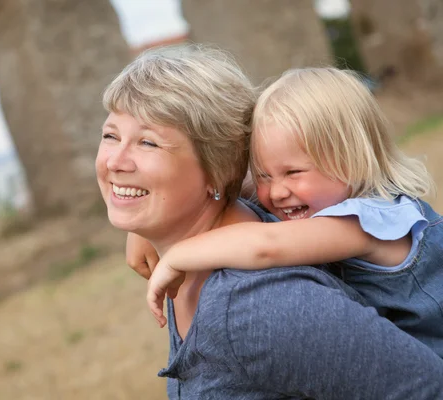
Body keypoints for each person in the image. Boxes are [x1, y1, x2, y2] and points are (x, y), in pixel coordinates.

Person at [97, 45, 443, 399]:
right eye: (110, 135)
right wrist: (144, 223)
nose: (115, 161)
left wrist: (179, 253)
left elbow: (266, 245)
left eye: (148, 143)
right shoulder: (279, 201)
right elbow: (240, 178)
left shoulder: (262, 303)